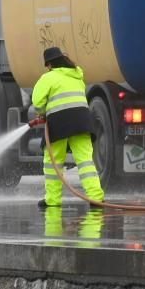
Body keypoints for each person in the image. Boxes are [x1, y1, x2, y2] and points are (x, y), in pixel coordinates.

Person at [31, 46, 105, 208]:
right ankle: (96, 197)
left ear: (49, 64)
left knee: (53, 163)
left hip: (59, 123)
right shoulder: (77, 76)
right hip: (82, 121)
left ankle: (52, 200)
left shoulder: (48, 78)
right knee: (85, 161)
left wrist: (43, 112)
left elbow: (37, 102)